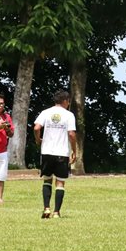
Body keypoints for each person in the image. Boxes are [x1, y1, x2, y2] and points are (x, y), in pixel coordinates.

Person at [33, 90, 78, 219]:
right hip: (61, 152)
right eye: (68, 101)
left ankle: (46, 208)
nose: (68, 103)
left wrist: (38, 140)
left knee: (47, 179)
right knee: (60, 182)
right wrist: (74, 150)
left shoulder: (46, 112)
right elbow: (71, 134)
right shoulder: (69, 115)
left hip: (46, 151)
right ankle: (56, 212)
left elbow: (36, 128)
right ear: (65, 101)